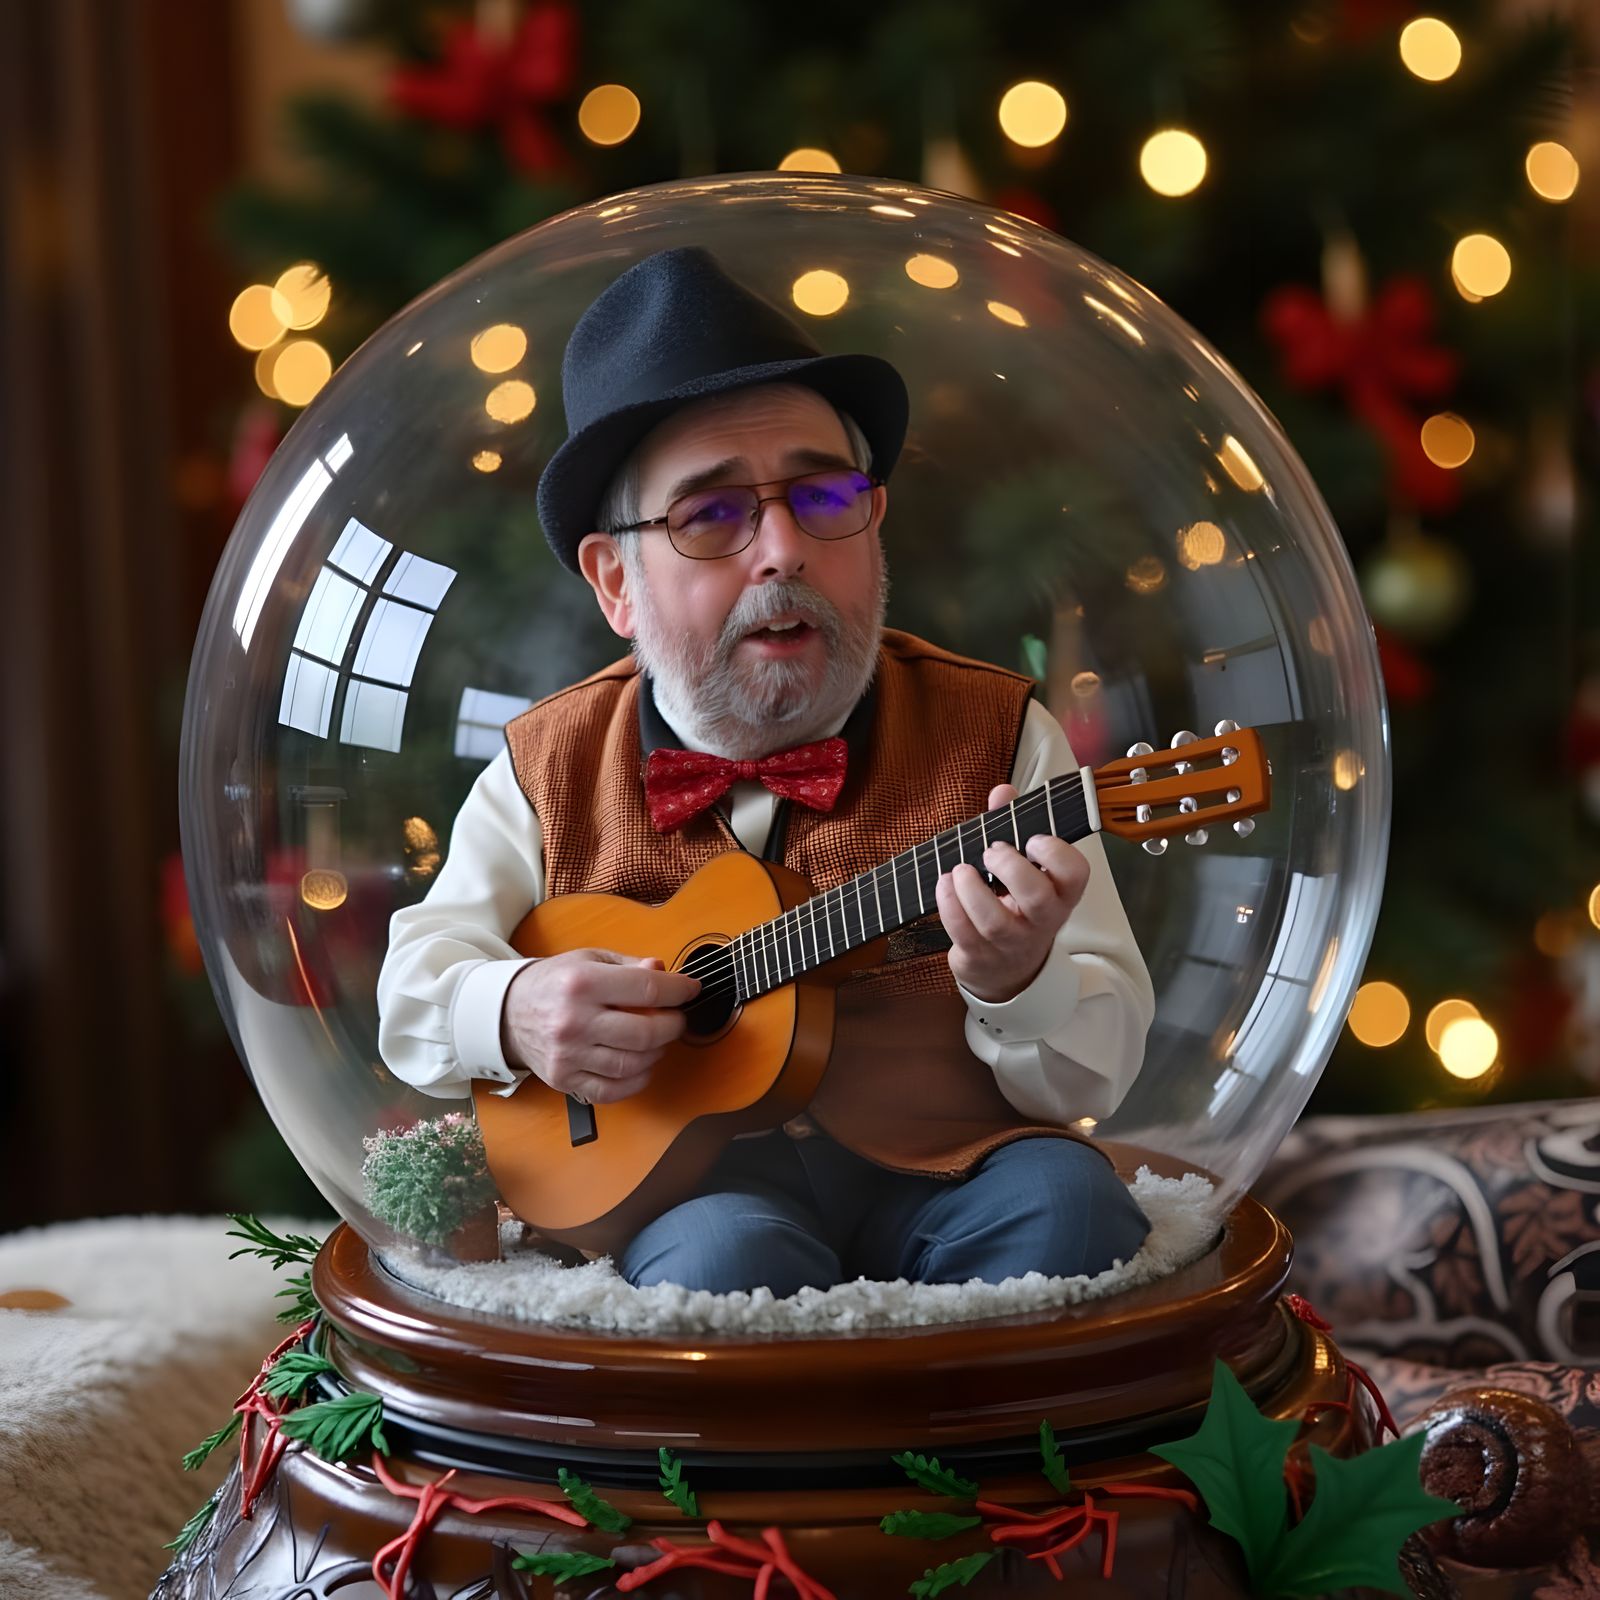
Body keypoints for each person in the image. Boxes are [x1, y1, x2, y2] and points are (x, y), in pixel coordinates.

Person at [376, 246, 1156, 1295]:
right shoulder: (547, 764)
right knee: (726, 1267)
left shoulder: (1002, 741)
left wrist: (1020, 979)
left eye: (823, 494)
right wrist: (510, 1008)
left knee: (1074, 1208)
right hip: (689, 1195)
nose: (782, 548)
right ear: (616, 581)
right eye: (712, 515)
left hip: (947, 1172)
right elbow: (410, 985)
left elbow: (1098, 1070)